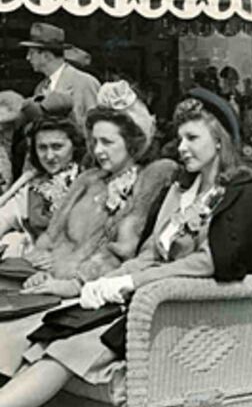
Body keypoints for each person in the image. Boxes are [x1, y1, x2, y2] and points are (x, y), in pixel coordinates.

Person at [0, 88, 252, 407]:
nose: (182, 148)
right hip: (136, 301)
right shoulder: (179, 190)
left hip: (180, 311)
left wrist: (131, 284)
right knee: (48, 337)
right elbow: (149, 252)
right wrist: (105, 283)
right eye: (180, 138)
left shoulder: (243, 192)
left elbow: (210, 263)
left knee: (68, 348)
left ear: (220, 140)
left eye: (192, 138)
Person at [10, 81, 177, 298]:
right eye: (95, 141)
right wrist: (40, 270)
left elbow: (123, 253)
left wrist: (77, 283)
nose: (98, 150)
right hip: (52, 285)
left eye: (107, 142)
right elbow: (52, 237)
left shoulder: (149, 179)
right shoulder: (87, 180)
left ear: (131, 143)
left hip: (98, 292)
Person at [0, 95, 85, 256]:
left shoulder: (88, 183)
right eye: (42, 148)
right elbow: (4, 217)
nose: (49, 156)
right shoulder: (32, 187)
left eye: (57, 147)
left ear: (74, 146)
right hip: (33, 262)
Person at [21, 22, 101, 127]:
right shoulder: (40, 89)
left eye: (31, 53)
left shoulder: (85, 83)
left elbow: (97, 125)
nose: (28, 58)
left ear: (46, 56)